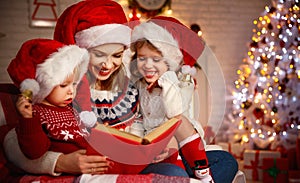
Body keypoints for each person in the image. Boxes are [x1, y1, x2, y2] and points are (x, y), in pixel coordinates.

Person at [3, 0, 189, 179]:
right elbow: (12, 142)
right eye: (99, 55)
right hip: (98, 169)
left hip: (136, 162)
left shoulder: (132, 84)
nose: (108, 64)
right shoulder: (61, 91)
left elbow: (173, 121)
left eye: (116, 55)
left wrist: (172, 143)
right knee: (175, 175)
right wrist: (60, 162)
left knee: (216, 160)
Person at [129, 16, 238, 183]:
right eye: (142, 58)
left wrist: (168, 81)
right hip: (155, 153)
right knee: (176, 173)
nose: (147, 65)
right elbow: (138, 118)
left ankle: (199, 178)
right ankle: (192, 178)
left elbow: (176, 114)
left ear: (169, 62)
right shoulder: (139, 86)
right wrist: (137, 143)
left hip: (184, 149)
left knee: (227, 160)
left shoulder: (179, 84)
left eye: (156, 59)